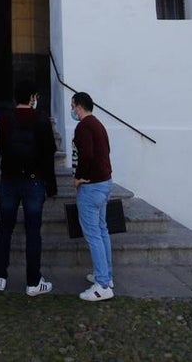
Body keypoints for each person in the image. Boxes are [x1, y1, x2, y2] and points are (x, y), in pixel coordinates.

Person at [0, 80, 57, 296]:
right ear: (32, 97)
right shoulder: (41, 119)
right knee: (33, 232)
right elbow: (49, 152)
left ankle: (0, 276)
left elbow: (0, 146)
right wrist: (50, 182)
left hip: (9, 179)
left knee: (5, 228)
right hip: (34, 179)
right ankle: (33, 281)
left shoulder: (4, 118)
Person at [71, 91, 114, 301]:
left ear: (79, 106)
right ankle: (105, 275)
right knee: (102, 230)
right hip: (105, 183)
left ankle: (102, 286)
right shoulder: (98, 124)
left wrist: (79, 177)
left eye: (73, 106)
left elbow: (85, 156)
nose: (72, 110)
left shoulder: (83, 127)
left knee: (94, 235)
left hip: (92, 186)